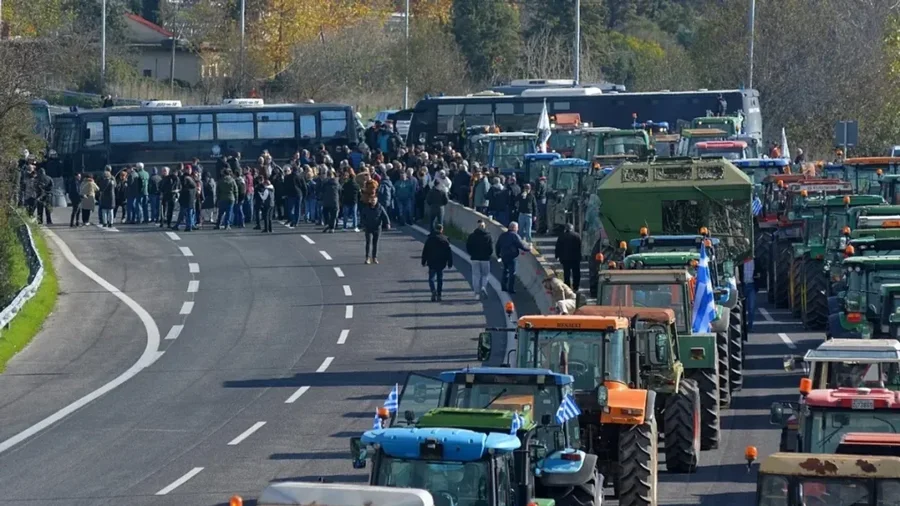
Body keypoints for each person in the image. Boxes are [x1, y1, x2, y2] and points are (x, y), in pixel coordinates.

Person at [421, 224, 453, 302]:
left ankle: (433, 290)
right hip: (441, 262)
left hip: (431, 262)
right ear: (442, 229)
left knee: (431, 278)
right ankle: (439, 294)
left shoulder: (430, 239)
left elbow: (425, 251)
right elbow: (449, 253)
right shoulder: (445, 239)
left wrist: (423, 261)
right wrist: (450, 263)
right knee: (440, 279)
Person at [495, 222, 529, 294]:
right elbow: (521, 245)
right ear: (514, 228)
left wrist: (498, 255)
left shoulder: (503, 235)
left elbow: (497, 246)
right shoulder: (515, 236)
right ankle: (511, 289)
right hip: (512, 256)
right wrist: (529, 248)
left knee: (505, 271)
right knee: (512, 273)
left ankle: (503, 287)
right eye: (517, 228)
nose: (518, 229)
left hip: (504, 256)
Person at [466, 220, 494, 300]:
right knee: (485, 275)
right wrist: (488, 255)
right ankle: (483, 287)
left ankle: (476, 293)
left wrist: (472, 254)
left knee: (475, 276)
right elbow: (491, 249)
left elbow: (468, 246)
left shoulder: (472, 236)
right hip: (485, 259)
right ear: (484, 226)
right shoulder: (488, 236)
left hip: (475, 258)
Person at [360, 197, 391, 264]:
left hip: (377, 228)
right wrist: (363, 225)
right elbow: (362, 216)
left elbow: (385, 216)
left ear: (376, 200)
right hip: (368, 227)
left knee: (375, 243)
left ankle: (374, 257)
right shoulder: (366, 208)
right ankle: (367, 258)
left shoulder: (380, 207)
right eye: (372, 200)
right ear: (370, 200)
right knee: (368, 242)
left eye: (374, 200)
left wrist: (387, 223)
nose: (373, 201)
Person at [555, 223, 583, 291]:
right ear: (572, 229)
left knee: (566, 273)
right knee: (576, 273)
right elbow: (580, 247)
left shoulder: (562, 236)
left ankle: (567, 287)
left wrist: (557, 256)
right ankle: (576, 287)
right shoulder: (577, 236)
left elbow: (558, 247)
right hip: (575, 258)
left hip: (565, 258)